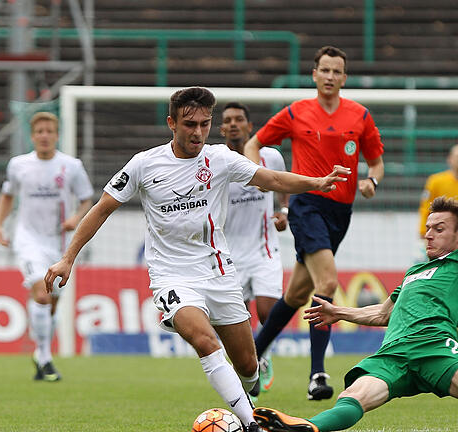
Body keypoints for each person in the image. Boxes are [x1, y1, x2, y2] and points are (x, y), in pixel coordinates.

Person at [44, 87, 349, 430]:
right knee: (205, 340)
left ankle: (249, 391)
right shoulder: (145, 164)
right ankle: (253, 423)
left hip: (218, 272)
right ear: (171, 123)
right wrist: (67, 258)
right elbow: (101, 210)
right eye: (190, 124)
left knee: (248, 366)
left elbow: (273, 178)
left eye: (205, 124)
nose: (198, 132)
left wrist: (317, 182)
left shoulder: (219, 158)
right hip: (172, 275)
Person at [253, 143, 458, 432]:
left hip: (435, 349)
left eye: (439, 229)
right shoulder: (415, 271)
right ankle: (309, 428)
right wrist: (339, 312)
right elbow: (383, 314)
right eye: (428, 227)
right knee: (352, 397)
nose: (428, 234)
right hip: (394, 354)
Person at [243, 45, 385, 400]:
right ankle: (318, 374)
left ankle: (251, 356)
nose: (330, 77)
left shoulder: (360, 116)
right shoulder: (296, 112)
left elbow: (376, 162)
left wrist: (372, 182)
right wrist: (256, 176)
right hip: (306, 205)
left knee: (296, 294)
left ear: (344, 77)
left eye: (337, 71)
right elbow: (254, 143)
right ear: (314, 74)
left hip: (341, 212)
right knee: (329, 281)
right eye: (324, 70)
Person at [0, 111, 94, 382]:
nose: (45, 136)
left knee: (52, 303)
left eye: (50, 131)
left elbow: (86, 199)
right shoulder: (18, 165)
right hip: (28, 239)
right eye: (40, 132)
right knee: (41, 293)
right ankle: (45, 357)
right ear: (32, 136)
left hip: (59, 243)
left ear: (57, 135)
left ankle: (40, 355)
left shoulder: (71, 166)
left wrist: (76, 217)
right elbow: (7, 195)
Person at [220, 101, 289, 393]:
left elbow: (282, 184)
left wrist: (284, 211)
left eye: (239, 119)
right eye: (228, 120)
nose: (234, 124)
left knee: (266, 311)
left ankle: (263, 353)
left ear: (250, 127)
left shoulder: (269, 157)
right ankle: (249, 364)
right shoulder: (215, 161)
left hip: (264, 250)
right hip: (229, 253)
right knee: (237, 319)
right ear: (221, 128)